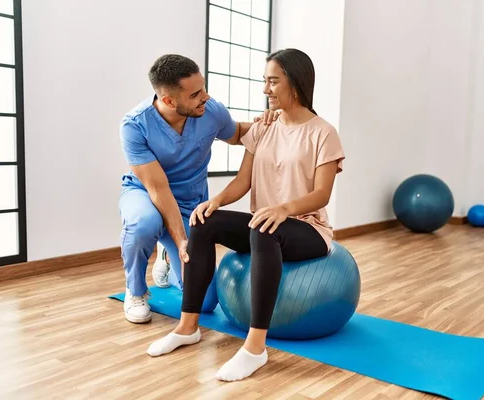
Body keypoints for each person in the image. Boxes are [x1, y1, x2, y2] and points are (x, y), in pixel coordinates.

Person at [146, 48, 346, 382]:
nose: (266, 89)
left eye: (272, 81)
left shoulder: (323, 133)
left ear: (295, 84)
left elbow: (321, 194)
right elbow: (243, 181)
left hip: (307, 229)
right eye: (264, 81)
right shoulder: (265, 127)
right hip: (264, 224)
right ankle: (187, 327)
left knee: (265, 228)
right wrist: (217, 201)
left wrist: (282, 209)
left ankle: (255, 348)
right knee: (205, 221)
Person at [119, 54, 275, 324]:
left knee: (204, 302)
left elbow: (237, 134)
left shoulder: (211, 110)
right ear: (169, 101)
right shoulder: (135, 125)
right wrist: (180, 239)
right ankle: (135, 291)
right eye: (195, 94)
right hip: (146, 195)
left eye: (203, 88)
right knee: (144, 222)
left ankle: (166, 254)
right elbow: (158, 189)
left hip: (190, 203)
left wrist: (273, 124)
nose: (205, 96)